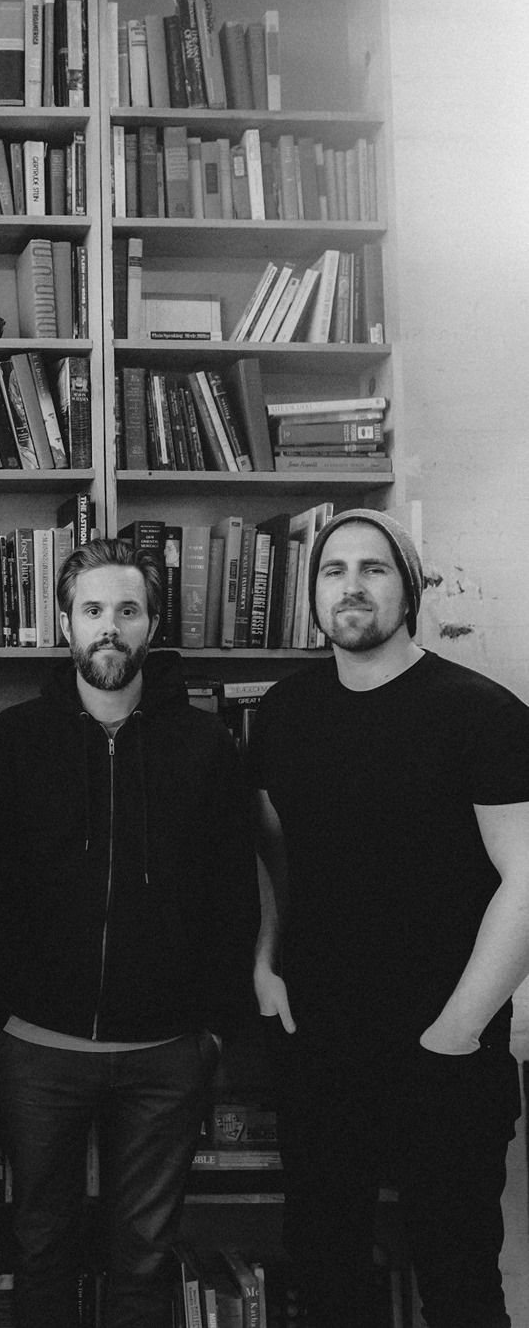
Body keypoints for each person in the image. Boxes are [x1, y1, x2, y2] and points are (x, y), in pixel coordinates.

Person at [251, 508, 529, 1328]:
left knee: (458, 1285)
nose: (350, 586)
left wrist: (456, 1030)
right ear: (311, 594)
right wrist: (265, 961)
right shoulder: (285, 710)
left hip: (444, 1055)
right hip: (318, 1047)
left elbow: (527, 876)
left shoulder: (480, 711)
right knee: (327, 1276)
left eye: (372, 568)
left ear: (408, 589)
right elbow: (271, 850)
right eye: (332, 570)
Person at [0, 538, 258, 1328]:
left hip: (164, 1050)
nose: (108, 626)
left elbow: (232, 893)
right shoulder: (16, 737)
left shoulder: (203, 743)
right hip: (35, 1046)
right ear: (64, 623)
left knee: (143, 1257)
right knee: (40, 1245)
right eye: (91, 609)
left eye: (126, 610)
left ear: (151, 625)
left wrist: (212, 1028)